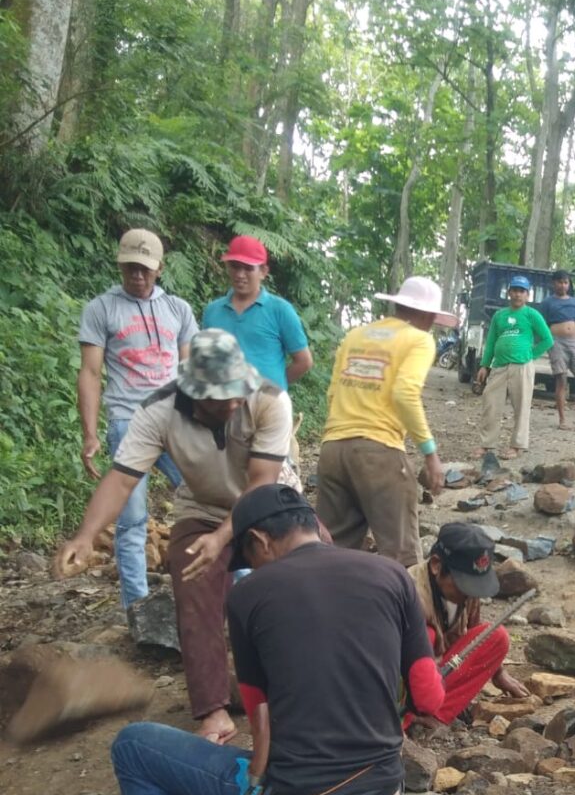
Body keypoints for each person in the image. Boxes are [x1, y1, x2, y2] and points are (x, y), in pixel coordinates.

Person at [109, 483, 446, 795]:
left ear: (262, 542)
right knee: (350, 791)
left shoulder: (249, 597)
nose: (252, 568)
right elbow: (430, 699)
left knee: (132, 747)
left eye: (249, 557)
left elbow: (259, 718)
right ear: (314, 526)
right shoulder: (392, 574)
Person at [54, 329, 295, 746]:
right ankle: (214, 709)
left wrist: (224, 537)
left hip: (270, 502)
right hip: (202, 509)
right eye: (223, 397)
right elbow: (122, 480)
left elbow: (261, 483)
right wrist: (86, 536)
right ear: (195, 392)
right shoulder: (159, 411)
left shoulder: (269, 399)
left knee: (312, 566)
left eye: (238, 391)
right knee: (193, 574)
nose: (234, 401)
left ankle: (305, 683)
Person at [78, 229, 197, 609]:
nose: (137, 276)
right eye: (130, 267)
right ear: (120, 265)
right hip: (128, 420)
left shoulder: (177, 309)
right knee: (130, 521)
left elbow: (191, 369)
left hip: (175, 418)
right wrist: (90, 432)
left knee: (210, 500)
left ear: (159, 268)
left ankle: (237, 590)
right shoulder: (101, 309)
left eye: (145, 269)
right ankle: (137, 609)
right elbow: (90, 373)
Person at [316, 276, 452, 567]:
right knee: (401, 556)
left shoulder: (356, 335)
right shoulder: (419, 339)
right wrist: (430, 453)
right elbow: (404, 394)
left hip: (332, 449)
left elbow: (332, 393)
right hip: (379, 451)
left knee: (331, 551)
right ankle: (406, 613)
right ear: (428, 315)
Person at [406, 523, 528, 732]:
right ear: (436, 565)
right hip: (406, 678)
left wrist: (497, 673)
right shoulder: (409, 594)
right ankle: (409, 716)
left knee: (496, 637)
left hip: (438, 674)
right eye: (465, 585)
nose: (471, 594)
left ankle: (435, 713)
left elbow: (476, 634)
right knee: (429, 635)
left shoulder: (466, 592)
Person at [202, 235, 312, 392]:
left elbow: (303, 362)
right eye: (235, 266)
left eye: (248, 268)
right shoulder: (213, 311)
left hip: (266, 408)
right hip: (222, 405)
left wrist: (273, 387)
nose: (240, 274)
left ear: (263, 271)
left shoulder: (280, 310)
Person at [475, 275, 554, 460]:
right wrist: (484, 365)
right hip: (499, 366)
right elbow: (492, 341)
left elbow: (547, 339)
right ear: (509, 292)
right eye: (515, 290)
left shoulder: (531, 314)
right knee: (491, 404)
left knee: (521, 406)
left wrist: (530, 355)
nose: (518, 294)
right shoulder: (500, 315)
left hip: (522, 367)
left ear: (527, 295)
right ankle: (487, 445)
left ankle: (516, 446)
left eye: (522, 291)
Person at [539, 270, 575, 431]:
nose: (563, 285)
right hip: (556, 342)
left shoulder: (574, 302)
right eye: (560, 282)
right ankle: (562, 419)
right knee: (561, 378)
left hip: (573, 342)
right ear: (554, 283)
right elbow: (541, 324)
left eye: (566, 282)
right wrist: (545, 342)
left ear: (569, 285)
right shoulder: (548, 303)